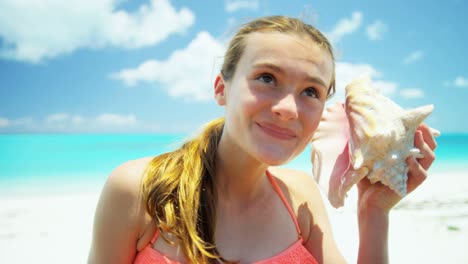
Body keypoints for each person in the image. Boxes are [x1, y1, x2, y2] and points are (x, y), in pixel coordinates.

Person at [88, 15, 437, 264]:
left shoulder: (300, 197)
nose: (288, 109)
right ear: (222, 89)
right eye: (267, 78)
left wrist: (373, 212)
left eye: (311, 92)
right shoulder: (142, 191)